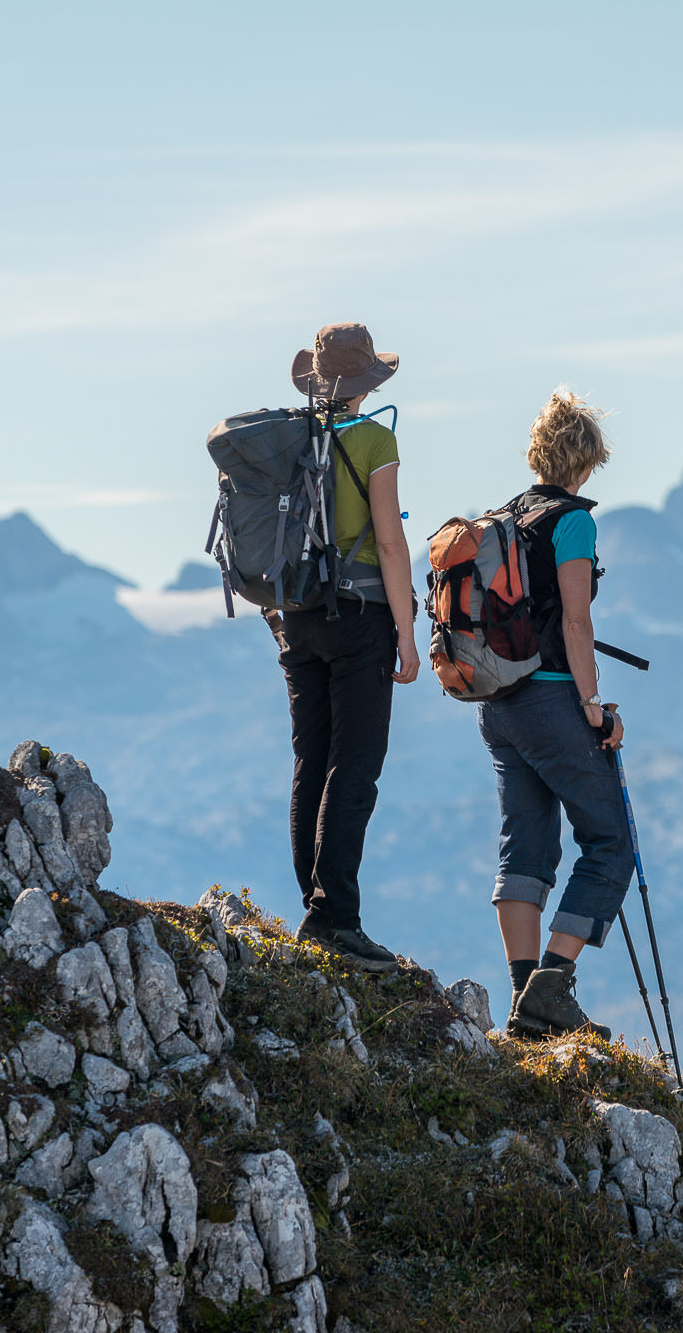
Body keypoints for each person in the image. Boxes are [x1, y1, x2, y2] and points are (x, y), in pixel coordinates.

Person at [481, 389, 633, 1039]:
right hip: (547, 695)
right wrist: (593, 706)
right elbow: (576, 620)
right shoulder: (572, 520)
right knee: (610, 841)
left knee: (527, 845)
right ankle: (551, 987)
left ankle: (525, 1003)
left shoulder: (504, 516)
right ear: (585, 459)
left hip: (497, 704)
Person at [280, 322, 420, 970]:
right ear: (365, 384)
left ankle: (316, 905)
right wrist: (408, 634)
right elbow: (390, 542)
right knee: (355, 764)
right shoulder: (373, 437)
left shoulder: (292, 438)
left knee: (313, 758)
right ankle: (335, 916)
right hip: (358, 613)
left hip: (297, 615)